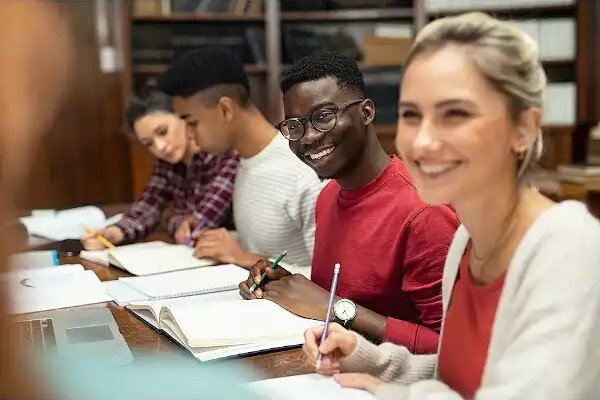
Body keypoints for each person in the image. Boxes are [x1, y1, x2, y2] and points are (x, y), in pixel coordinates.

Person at [302, 12, 600, 400]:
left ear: (523, 129)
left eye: (455, 114)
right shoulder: (466, 241)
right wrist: (368, 358)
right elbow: (461, 374)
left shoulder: (570, 250)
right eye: (412, 114)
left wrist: (397, 395)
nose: (423, 141)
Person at [239, 52, 459, 353]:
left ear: (366, 112)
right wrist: (286, 286)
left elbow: (452, 348)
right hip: (332, 367)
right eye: (294, 125)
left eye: (324, 117)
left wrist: (337, 309)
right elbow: (346, 296)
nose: (308, 137)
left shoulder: (425, 213)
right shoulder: (328, 196)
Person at [157, 47, 323, 271]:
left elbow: (331, 285)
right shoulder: (242, 161)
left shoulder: (304, 172)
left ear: (226, 109)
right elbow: (267, 246)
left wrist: (242, 257)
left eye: (191, 122)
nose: (187, 134)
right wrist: (224, 242)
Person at [81, 90, 238, 250]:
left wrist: (174, 220)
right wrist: (113, 233)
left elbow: (204, 221)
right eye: (149, 143)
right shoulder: (167, 163)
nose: (160, 147)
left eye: (163, 132)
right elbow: (147, 208)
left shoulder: (224, 152)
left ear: (183, 117)